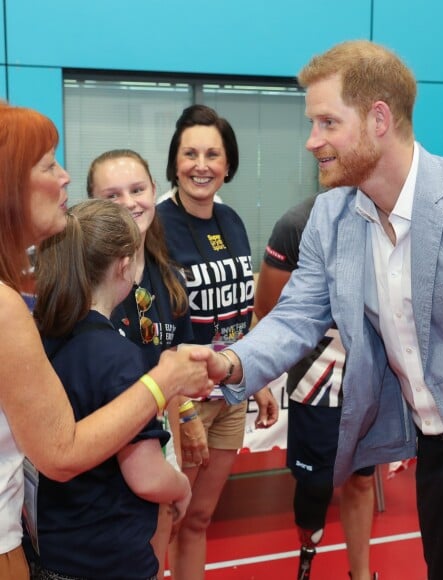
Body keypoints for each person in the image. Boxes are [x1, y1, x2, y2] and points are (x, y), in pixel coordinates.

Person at [200, 40, 443, 580]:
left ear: (379, 118)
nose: (313, 141)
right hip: (431, 450)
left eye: (328, 122)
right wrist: (230, 364)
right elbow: (294, 316)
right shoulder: (332, 219)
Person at [0, 103, 213, 579]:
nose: (63, 176)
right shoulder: (11, 308)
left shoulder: (46, 321)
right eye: (47, 164)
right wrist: (163, 382)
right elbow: (62, 452)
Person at [29, 199, 193, 579]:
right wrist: (181, 485)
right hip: (106, 558)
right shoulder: (119, 359)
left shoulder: (41, 335)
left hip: (49, 549)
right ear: (124, 265)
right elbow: (146, 475)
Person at [156, 104, 279, 580]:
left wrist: (257, 377)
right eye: (190, 153)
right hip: (184, 401)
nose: (201, 164)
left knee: (200, 518)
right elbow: (156, 325)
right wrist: (181, 407)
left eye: (212, 154)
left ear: (228, 165)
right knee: (170, 517)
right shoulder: (157, 226)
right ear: (175, 162)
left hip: (230, 394)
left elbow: (242, 311)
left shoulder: (231, 222)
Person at [87, 149, 207, 578]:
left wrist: (187, 415)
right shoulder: (83, 282)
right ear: (93, 204)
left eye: (137, 190)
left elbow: (170, 365)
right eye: (112, 195)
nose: (129, 202)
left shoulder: (168, 274)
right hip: (100, 449)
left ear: (156, 192)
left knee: (159, 549)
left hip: (156, 439)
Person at [254, 195, 378, 580]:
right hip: (316, 377)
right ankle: (307, 558)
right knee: (315, 486)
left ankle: (361, 574)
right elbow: (267, 308)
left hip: (370, 372)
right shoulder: (297, 222)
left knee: (362, 478)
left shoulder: (389, 213)